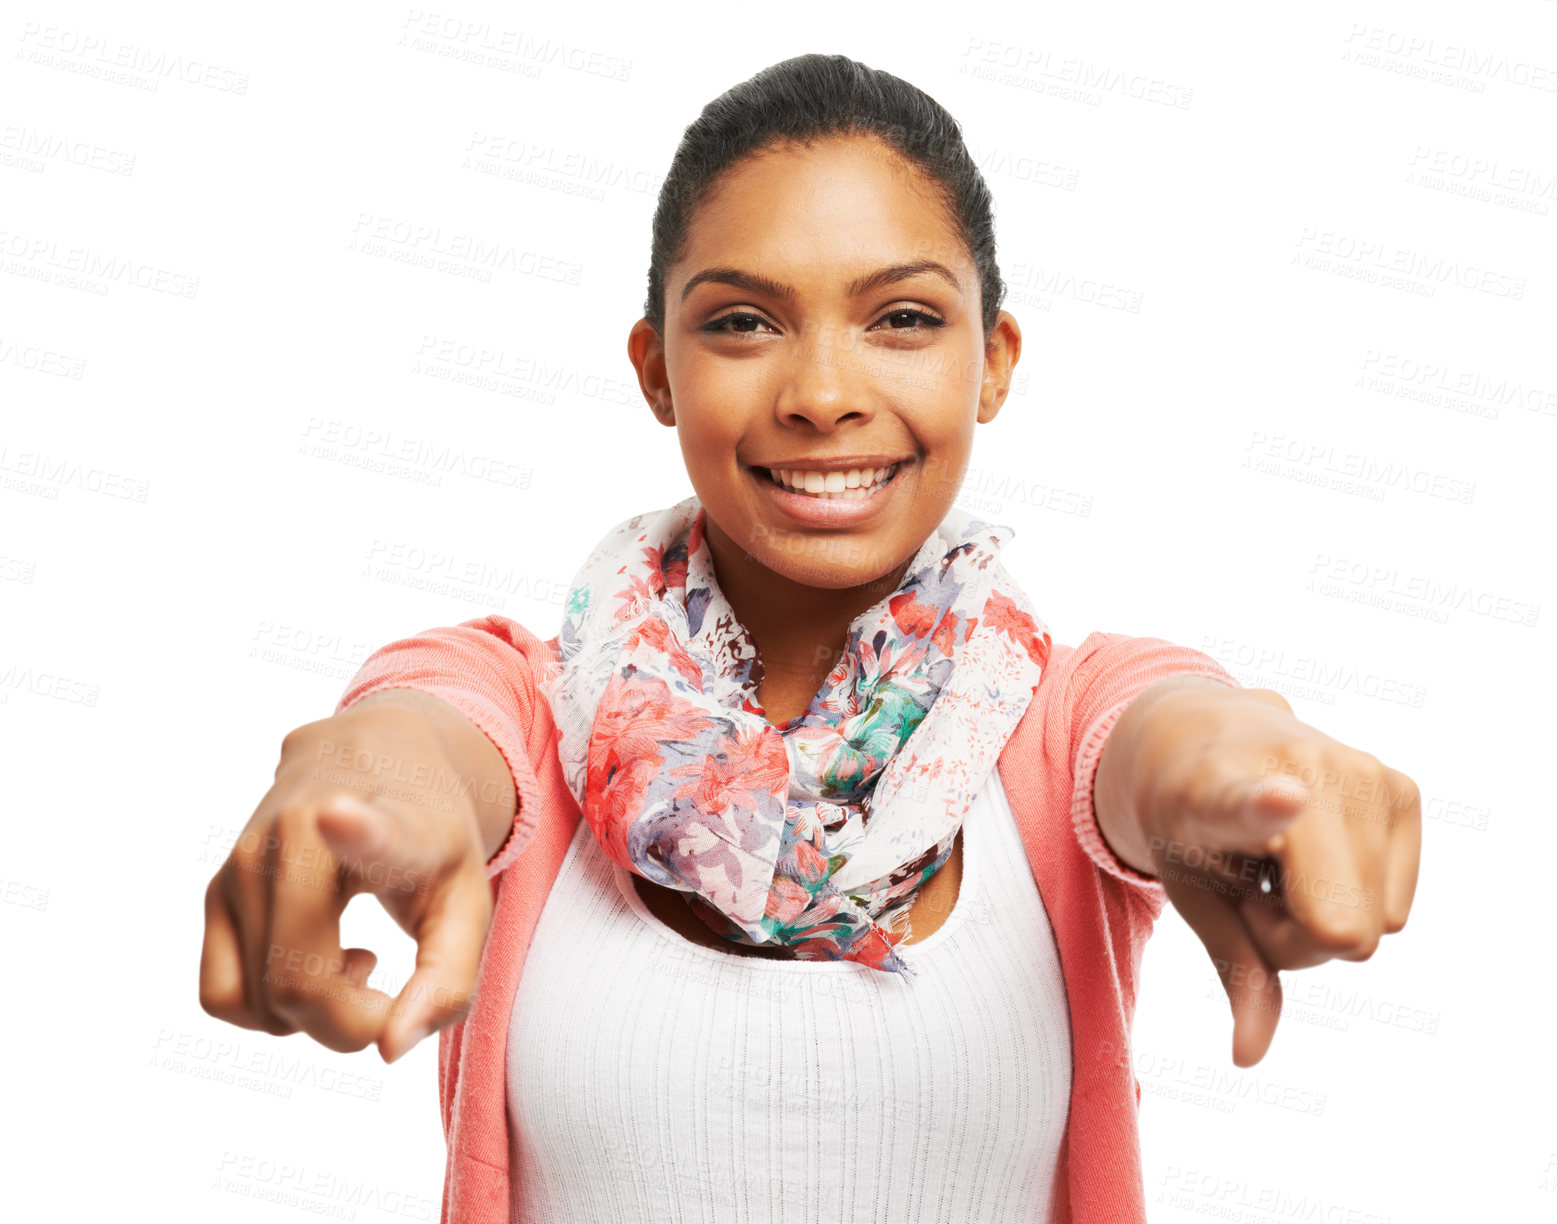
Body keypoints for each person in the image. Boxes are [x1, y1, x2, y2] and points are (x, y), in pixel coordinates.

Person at [199, 53, 1421, 1224]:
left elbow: (1175, 734)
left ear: (991, 362)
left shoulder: (1057, 719)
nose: (823, 392)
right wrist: (367, 793)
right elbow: (414, 730)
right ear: (656, 370)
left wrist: (1244, 771)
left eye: (900, 317)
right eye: (742, 322)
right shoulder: (533, 701)